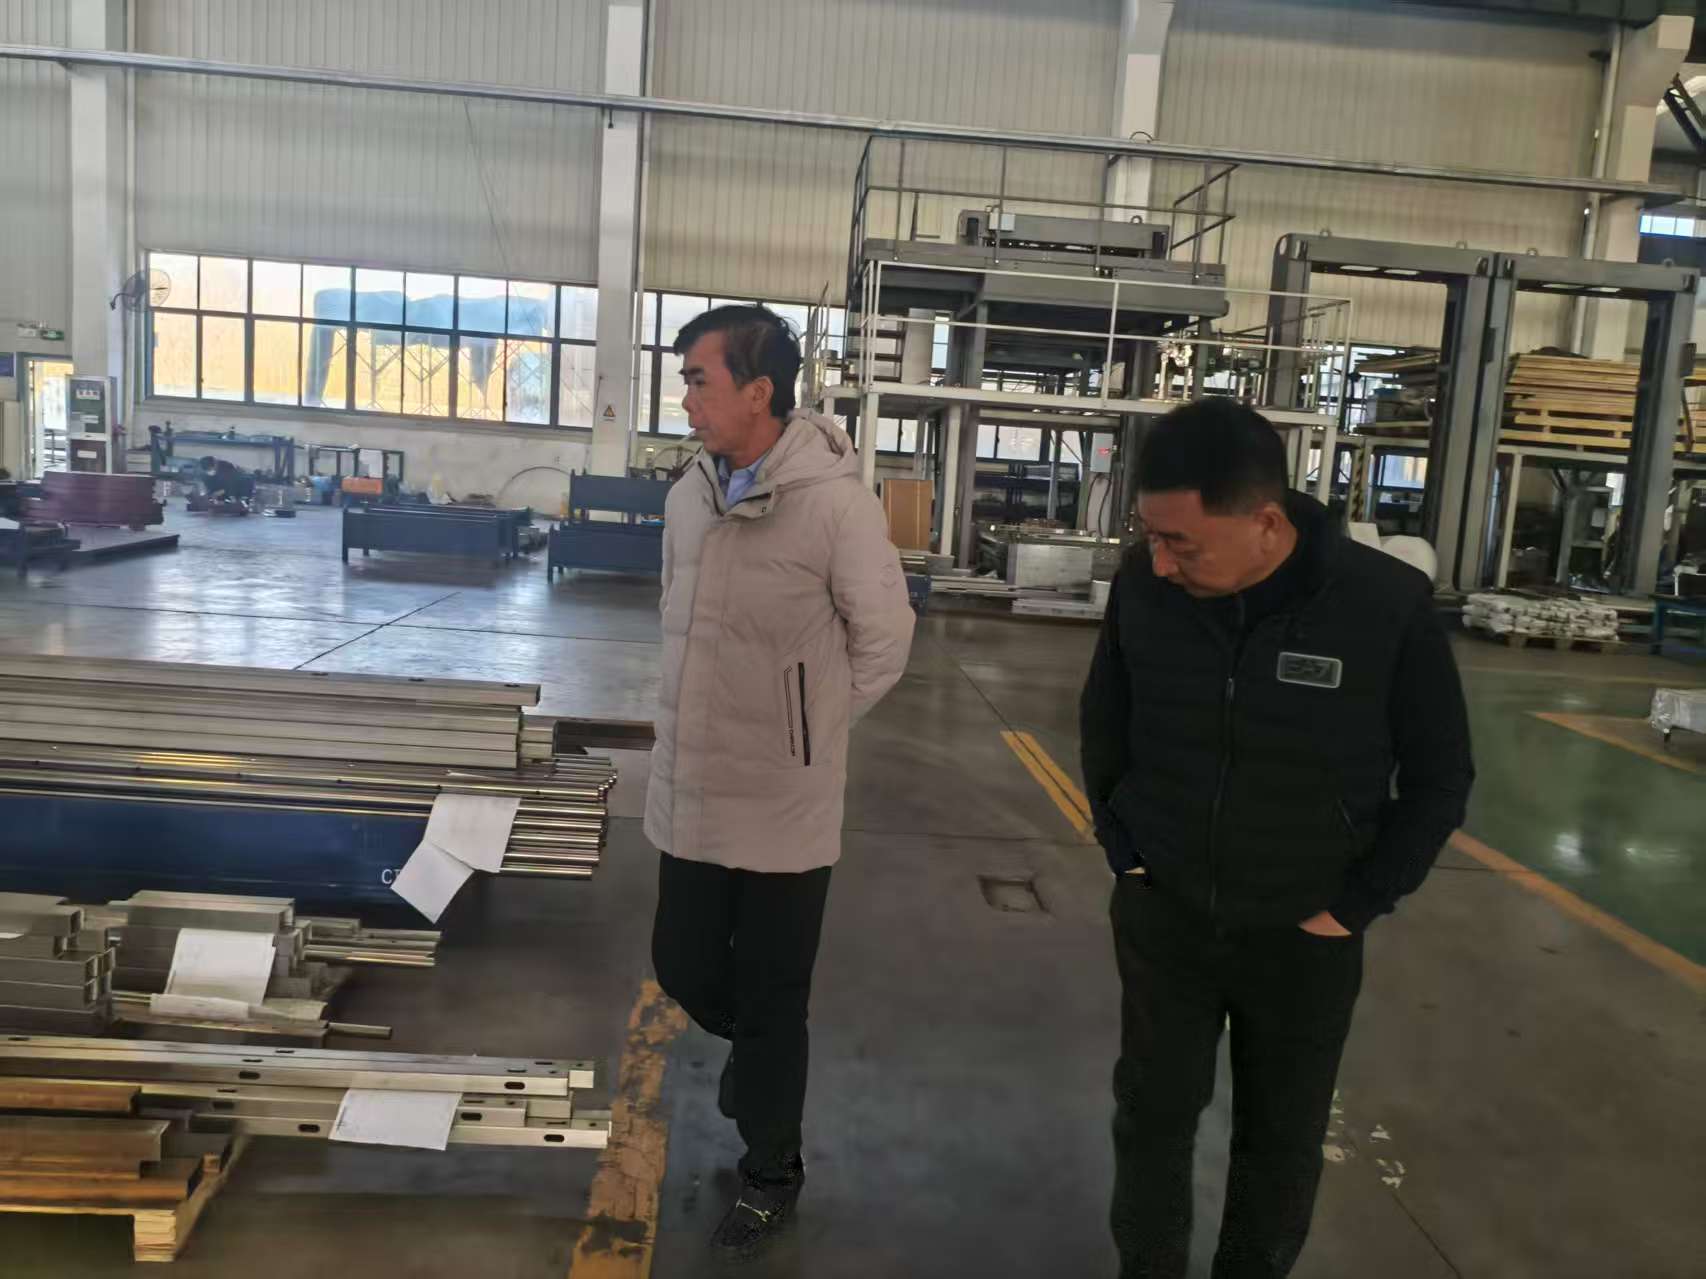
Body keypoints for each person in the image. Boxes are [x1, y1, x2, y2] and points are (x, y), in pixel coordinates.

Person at [1079, 400, 1473, 1279]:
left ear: (1266, 522)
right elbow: (1105, 716)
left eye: (1183, 543)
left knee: (1280, 1139)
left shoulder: (1382, 605)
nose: (1161, 560)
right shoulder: (1145, 585)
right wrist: (1125, 846)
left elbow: (1442, 777)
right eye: (1151, 535)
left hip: (1305, 932)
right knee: (1151, 1117)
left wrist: (1355, 904)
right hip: (1166, 912)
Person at [645, 304, 916, 1254]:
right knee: (681, 964)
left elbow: (885, 641)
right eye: (684, 380)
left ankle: (772, 1169)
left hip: (784, 806)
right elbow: (677, 618)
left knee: (771, 997)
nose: (687, 399)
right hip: (691, 788)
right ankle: (755, 1060)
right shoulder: (688, 496)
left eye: (700, 380)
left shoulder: (834, 504)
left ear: (759, 391)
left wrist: (805, 733)